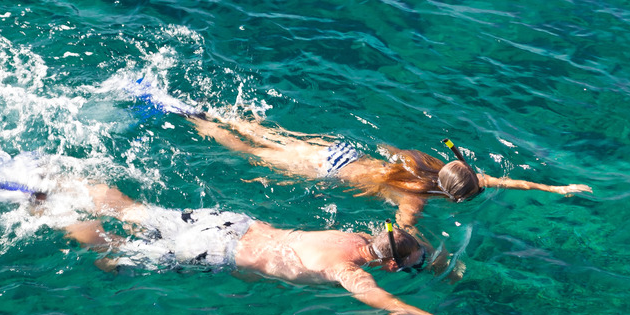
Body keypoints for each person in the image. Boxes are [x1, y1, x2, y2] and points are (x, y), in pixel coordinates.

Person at [61, 184, 504, 315]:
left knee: (137, 210)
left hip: (234, 223)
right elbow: (395, 308)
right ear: (388, 268)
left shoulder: (356, 236)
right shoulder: (350, 273)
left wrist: (427, 256)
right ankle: (63, 220)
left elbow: (400, 232)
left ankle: (76, 185)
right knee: (116, 253)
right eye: (408, 266)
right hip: (218, 251)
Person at [154, 107, 592, 229]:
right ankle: (198, 123)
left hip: (341, 150)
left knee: (270, 136)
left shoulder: (433, 165)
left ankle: (217, 113)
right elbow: (402, 233)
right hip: (327, 171)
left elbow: (504, 180)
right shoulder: (415, 199)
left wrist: (559, 189)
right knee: (251, 154)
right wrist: (437, 262)